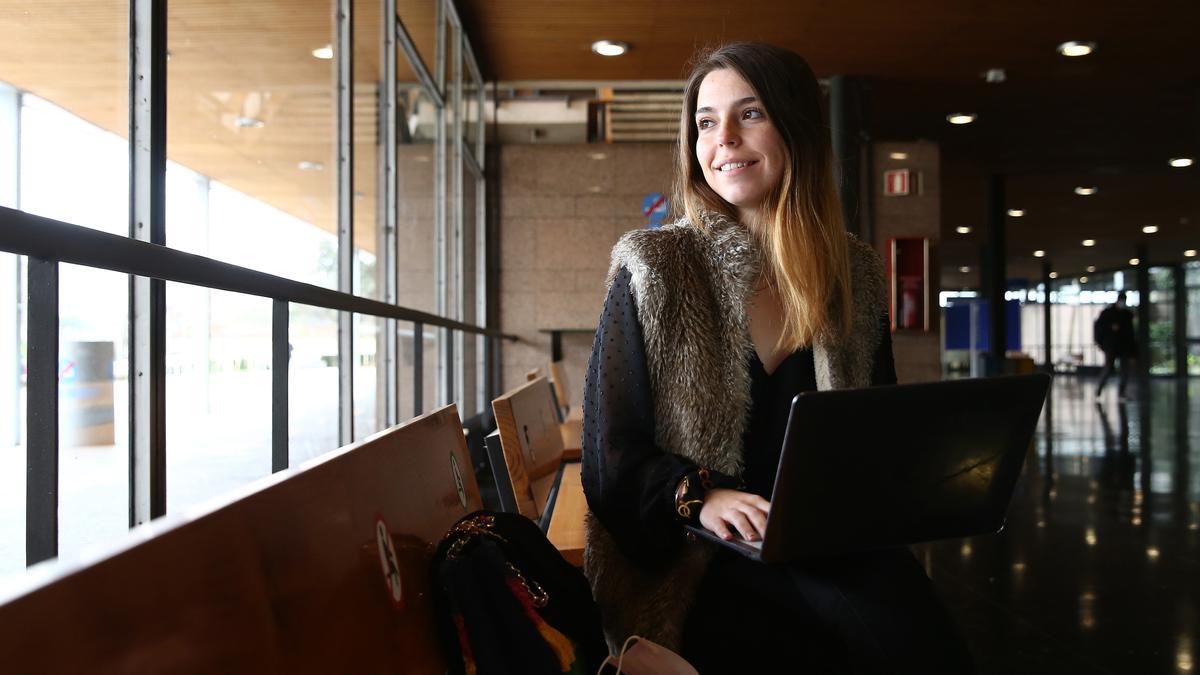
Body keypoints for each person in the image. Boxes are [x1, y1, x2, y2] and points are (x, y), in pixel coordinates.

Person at [580, 42, 973, 673]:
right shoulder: (656, 267)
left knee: (908, 629)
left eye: (750, 113)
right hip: (695, 561)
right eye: (706, 122)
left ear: (796, 126)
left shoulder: (857, 276)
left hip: (825, 543)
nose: (724, 138)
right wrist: (700, 497)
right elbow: (610, 458)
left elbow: (875, 434)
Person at [1094, 292, 1137, 399]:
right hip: (1111, 346)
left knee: (1124, 371)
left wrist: (1133, 351)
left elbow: (1131, 334)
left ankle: (1121, 393)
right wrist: (1101, 342)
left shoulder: (1127, 315)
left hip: (1123, 347)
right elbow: (1099, 328)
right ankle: (1099, 388)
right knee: (1109, 368)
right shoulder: (1107, 314)